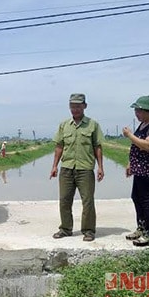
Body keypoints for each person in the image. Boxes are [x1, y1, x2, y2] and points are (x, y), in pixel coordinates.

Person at [50, 93, 104, 242]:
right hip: (66, 168)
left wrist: (100, 167)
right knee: (64, 200)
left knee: (87, 201)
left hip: (85, 169)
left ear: (84, 106)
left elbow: (97, 147)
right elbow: (59, 146)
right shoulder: (64, 125)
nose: (75, 109)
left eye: (78, 106)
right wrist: (54, 166)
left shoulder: (93, 125)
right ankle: (65, 229)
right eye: (72, 106)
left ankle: (88, 231)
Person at [122, 95, 149, 247]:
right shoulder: (143, 125)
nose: (136, 114)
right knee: (136, 198)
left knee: (147, 202)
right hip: (140, 170)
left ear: (148, 111)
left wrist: (129, 135)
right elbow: (136, 148)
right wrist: (130, 164)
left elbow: (148, 145)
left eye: (138, 111)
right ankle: (141, 228)